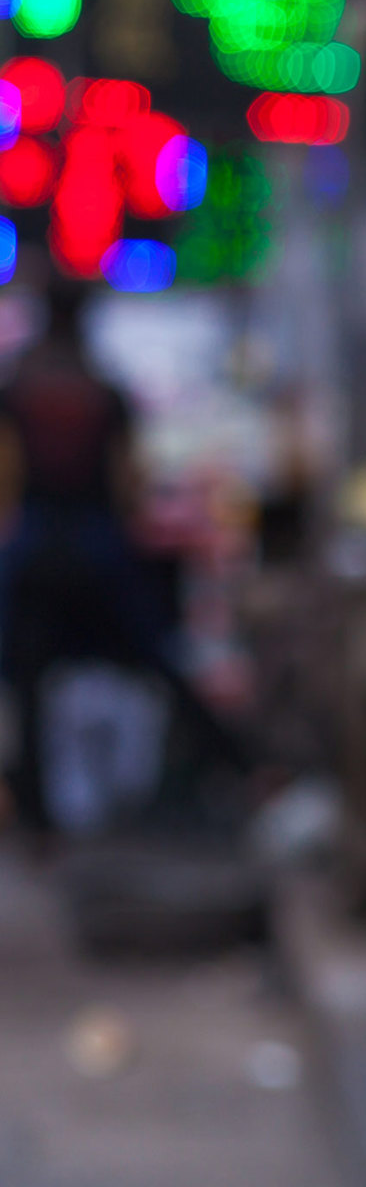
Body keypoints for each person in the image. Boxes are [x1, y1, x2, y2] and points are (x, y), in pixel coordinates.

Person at [0, 274, 153, 833]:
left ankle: (37, 815)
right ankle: (231, 776)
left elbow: (6, 474)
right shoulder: (102, 388)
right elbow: (126, 480)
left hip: (35, 548)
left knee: (26, 686)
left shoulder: (18, 385)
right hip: (96, 549)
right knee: (155, 661)